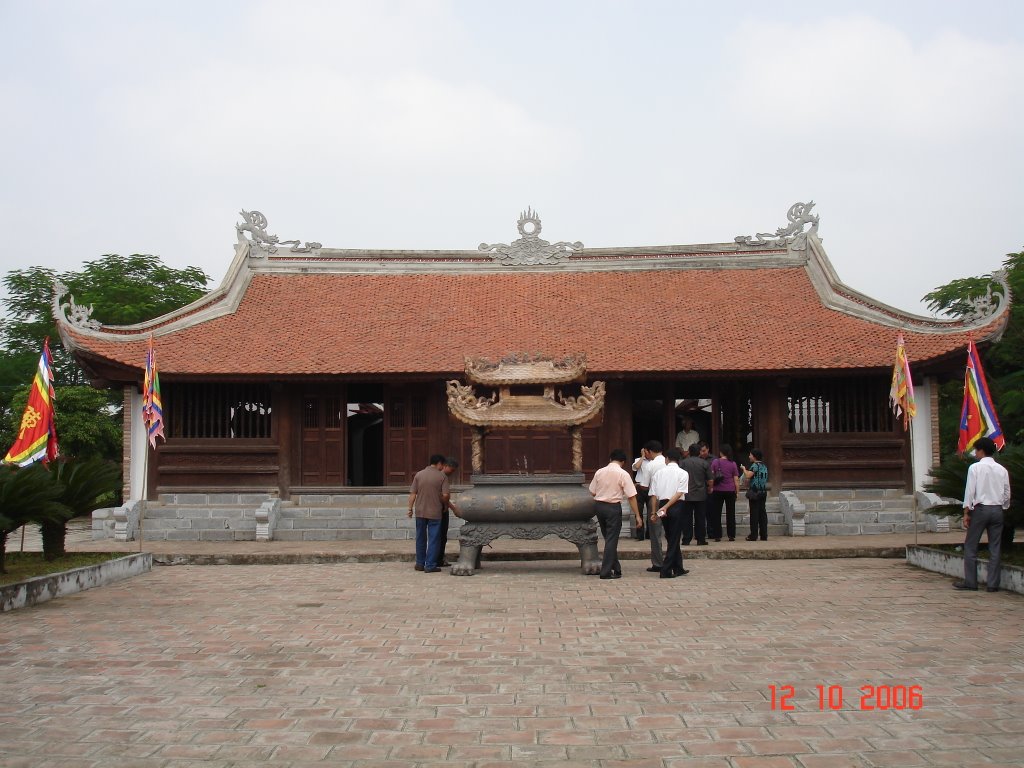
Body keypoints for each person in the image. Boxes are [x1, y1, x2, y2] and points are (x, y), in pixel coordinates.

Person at [953, 437, 1011, 592]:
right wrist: (1002, 506)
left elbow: (970, 491)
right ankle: (993, 584)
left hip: (981, 509)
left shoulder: (975, 468)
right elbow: (1007, 493)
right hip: (997, 509)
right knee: (995, 547)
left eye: (976, 450)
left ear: (981, 450)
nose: (975, 453)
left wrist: (966, 511)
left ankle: (971, 582)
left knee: (971, 545)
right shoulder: (1002, 470)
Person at [589, 449, 643, 580]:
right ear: (623, 462)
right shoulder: (623, 474)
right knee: (612, 540)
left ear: (610, 459)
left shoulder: (599, 472)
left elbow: (592, 491)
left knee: (609, 539)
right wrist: (637, 515)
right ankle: (606, 571)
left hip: (599, 506)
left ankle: (616, 568)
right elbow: (631, 496)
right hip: (613, 507)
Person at [651, 447, 690, 578]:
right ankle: (666, 569)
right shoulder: (683, 473)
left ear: (667, 459)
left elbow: (653, 495)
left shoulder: (658, 473)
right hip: (676, 505)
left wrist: (654, 512)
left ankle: (678, 567)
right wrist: (666, 507)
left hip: (662, 504)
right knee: (673, 538)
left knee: (671, 536)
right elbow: (679, 493)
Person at [407, 454, 449, 572]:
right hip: (435, 512)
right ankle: (430, 565)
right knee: (434, 538)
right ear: (439, 463)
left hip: (420, 511)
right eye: (443, 465)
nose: (443, 467)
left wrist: (410, 509)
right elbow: (445, 496)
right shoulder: (442, 476)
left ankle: (420, 563)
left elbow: (413, 494)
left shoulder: (419, 474)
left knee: (420, 537)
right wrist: (443, 502)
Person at [636, 440, 666, 572]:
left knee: (655, 533)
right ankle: (674, 561)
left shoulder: (651, 465)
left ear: (648, 451)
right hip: (672, 500)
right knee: (673, 533)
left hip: (656, 500)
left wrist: (636, 485)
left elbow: (644, 486)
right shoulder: (669, 462)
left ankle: (658, 563)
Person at [680, 443, 711, 545]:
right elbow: (710, 479)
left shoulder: (683, 463)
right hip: (701, 494)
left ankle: (686, 539)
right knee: (700, 518)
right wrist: (710, 488)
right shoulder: (704, 463)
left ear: (689, 451)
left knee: (686, 518)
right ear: (699, 452)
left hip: (687, 494)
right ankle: (700, 539)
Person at [710, 444, 741, 541]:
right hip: (730, 490)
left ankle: (717, 535)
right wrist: (737, 491)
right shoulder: (733, 464)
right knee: (731, 513)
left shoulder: (715, 462)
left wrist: (711, 487)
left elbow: (711, 476)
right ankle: (731, 535)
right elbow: (736, 479)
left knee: (716, 513)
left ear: (721, 452)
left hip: (717, 490)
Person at [439, 457, 462, 567]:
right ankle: (438, 558)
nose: (452, 473)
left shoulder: (442, 477)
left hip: (441, 508)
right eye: (451, 470)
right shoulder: (442, 477)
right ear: (445, 466)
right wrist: (453, 508)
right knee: (441, 535)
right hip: (440, 509)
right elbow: (444, 496)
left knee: (441, 536)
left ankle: (438, 558)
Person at [741, 449, 769, 541]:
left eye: (750, 455)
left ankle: (753, 535)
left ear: (754, 456)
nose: (749, 456)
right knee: (762, 514)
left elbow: (748, 475)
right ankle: (764, 534)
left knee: (754, 514)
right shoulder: (764, 466)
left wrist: (744, 469)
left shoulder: (755, 465)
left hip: (755, 492)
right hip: (763, 492)